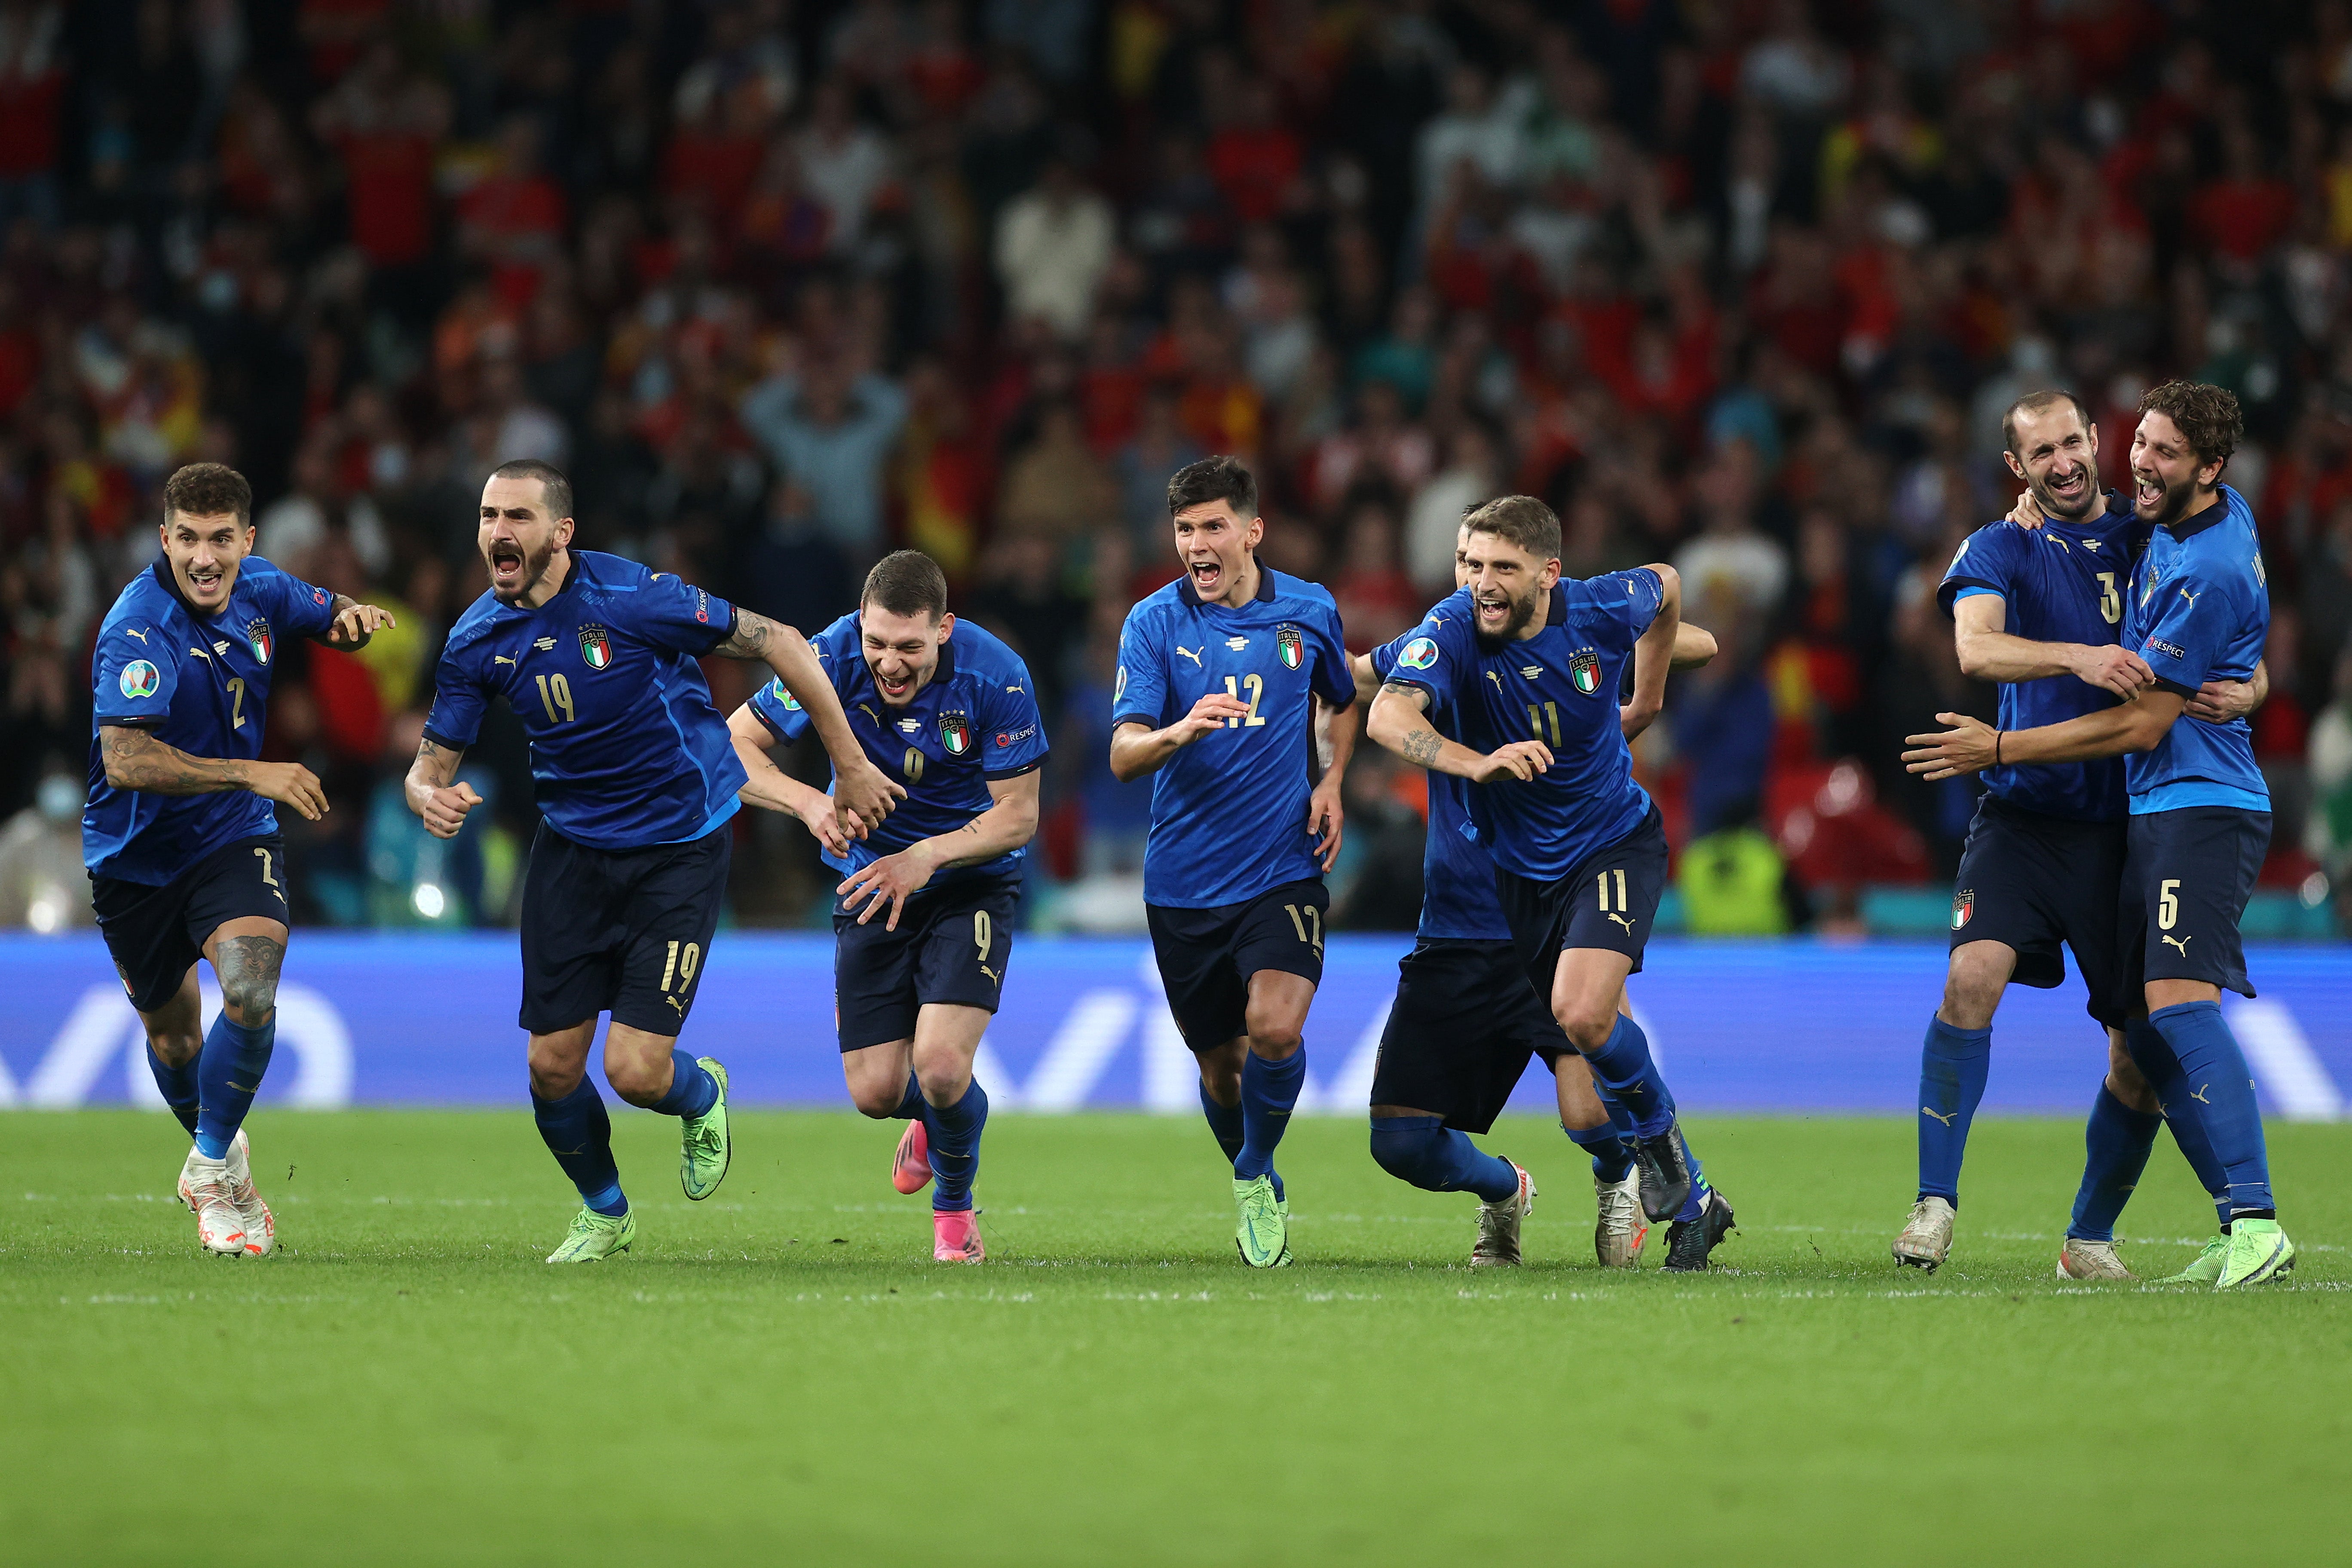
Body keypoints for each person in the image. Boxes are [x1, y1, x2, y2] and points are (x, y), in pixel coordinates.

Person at [406, 459, 902, 1263]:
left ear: (561, 533)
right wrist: (425, 791)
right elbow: (431, 763)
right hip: (571, 851)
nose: (499, 531)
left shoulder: (634, 599)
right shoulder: (474, 640)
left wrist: (843, 765)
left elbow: (778, 640)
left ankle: (701, 1092)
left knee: (637, 1072)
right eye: (490, 515)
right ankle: (605, 1212)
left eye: (519, 517)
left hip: (677, 848)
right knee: (551, 1067)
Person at [1907, 383, 2293, 1290]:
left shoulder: (2148, 528)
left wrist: (2259, 683)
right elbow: (1976, 650)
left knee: (2142, 1048)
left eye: (2074, 442)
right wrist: (2080, 657)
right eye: (2040, 454)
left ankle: (2102, 1234)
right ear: (2017, 467)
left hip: (2128, 821)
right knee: (1971, 975)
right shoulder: (2004, 542)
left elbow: (2220, 626)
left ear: (2094, 437)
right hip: (2027, 818)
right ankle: (1934, 1202)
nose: (2066, 462)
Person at [1351, 518, 1731, 1268]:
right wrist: (1475, 763)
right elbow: (1378, 697)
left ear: (1547, 572)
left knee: (1587, 1051)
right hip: (1489, 898)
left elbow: (1677, 608)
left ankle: (1643, 1162)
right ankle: (1642, 1192)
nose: (1476, 581)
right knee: (1399, 1138)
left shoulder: (1595, 610)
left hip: (1604, 851)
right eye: (1465, 563)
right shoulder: (1448, 630)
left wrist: (1646, 700)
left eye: (1497, 565)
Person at [85, 462, 396, 1256]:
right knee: (175, 1042)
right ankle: (225, 1168)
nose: (204, 558)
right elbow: (124, 758)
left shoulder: (260, 587)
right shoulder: (138, 626)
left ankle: (209, 1166)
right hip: (134, 857)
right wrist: (252, 769)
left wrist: (351, 619)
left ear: (246, 541)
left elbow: (320, 610)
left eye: (221, 539)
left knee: (251, 993)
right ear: (165, 538)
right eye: (187, 538)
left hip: (231, 836)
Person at [727, 550, 1047, 1263]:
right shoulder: (831, 654)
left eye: (908, 646)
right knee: (875, 1092)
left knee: (937, 1064)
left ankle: (955, 1216)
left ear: (944, 629)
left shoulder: (997, 675)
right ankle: (957, 1114)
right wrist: (809, 805)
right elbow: (733, 743)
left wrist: (926, 856)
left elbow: (1019, 816)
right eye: (877, 643)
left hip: (969, 881)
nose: (890, 664)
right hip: (870, 881)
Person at [1110, 456, 1358, 1268]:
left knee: (1275, 1028)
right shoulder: (1153, 623)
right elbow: (1122, 754)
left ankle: (1253, 1171)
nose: (1196, 544)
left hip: (1283, 866)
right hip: (1182, 883)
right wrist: (1178, 732)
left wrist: (1332, 780)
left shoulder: (1309, 610)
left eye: (1213, 526)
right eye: (1184, 530)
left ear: (1252, 530)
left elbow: (1343, 703)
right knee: (1222, 1072)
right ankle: (1256, 1166)